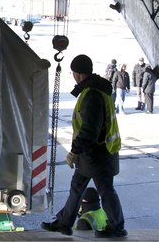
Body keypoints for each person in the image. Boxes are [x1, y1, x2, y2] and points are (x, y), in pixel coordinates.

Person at [41, 54, 127, 238]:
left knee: (105, 190)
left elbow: (90, 130)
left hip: (97, 155)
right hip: (94, 155)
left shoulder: (92, 95)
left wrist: (74, 151)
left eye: (73, 73)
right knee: (78, 187)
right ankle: (64, 223)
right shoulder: (96, 90)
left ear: (78, 74)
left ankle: (117, 226)